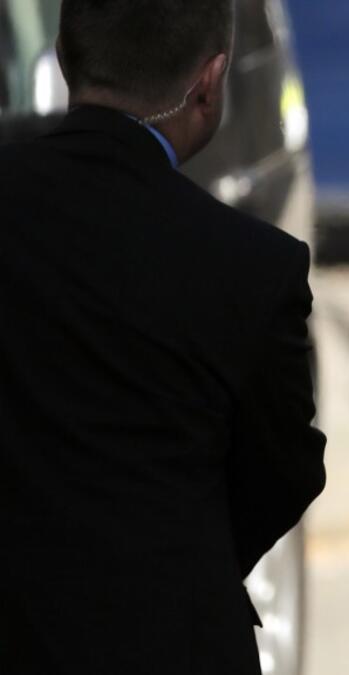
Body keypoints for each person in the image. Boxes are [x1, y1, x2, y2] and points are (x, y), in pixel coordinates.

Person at [0, 1, 326, 673]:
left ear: (62, 55)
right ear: (210, 83)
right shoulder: (255, 268)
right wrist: (176, 555)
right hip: (169, 638)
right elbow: (286, 469)